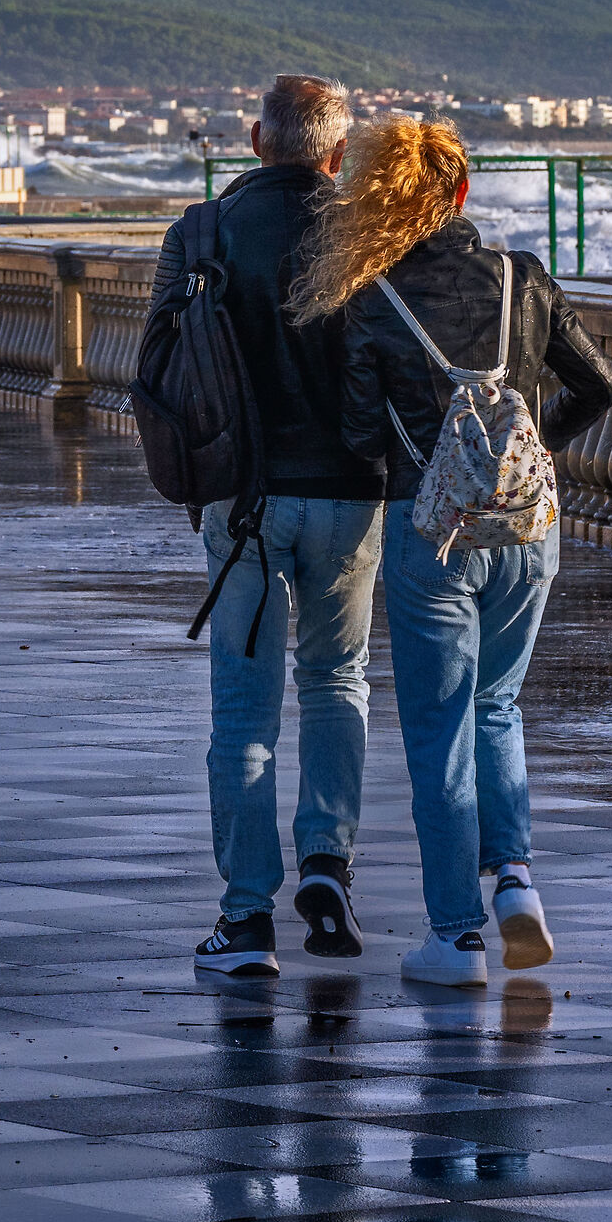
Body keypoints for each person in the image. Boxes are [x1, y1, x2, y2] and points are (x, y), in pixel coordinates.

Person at [290, 115, 612, 987]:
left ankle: (456, 937)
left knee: (439, 732)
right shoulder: (524, 277)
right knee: (500, 708)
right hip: (527, 529)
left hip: (429, 532)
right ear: (463, 192)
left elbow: (362, 430)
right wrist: (530, 446)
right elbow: (602, 382)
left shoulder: (374, 297)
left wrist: (428, 455)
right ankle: (515, 882)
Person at [152, 75, 386, 979]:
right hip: (347, 495)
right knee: (339, 681)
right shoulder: (361, 233)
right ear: (336, 153)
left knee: (243, 714)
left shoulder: (201, 232)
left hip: (242, 500)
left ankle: (246, 920)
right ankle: (327, 863)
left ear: (255, 139)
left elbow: (161, 368)